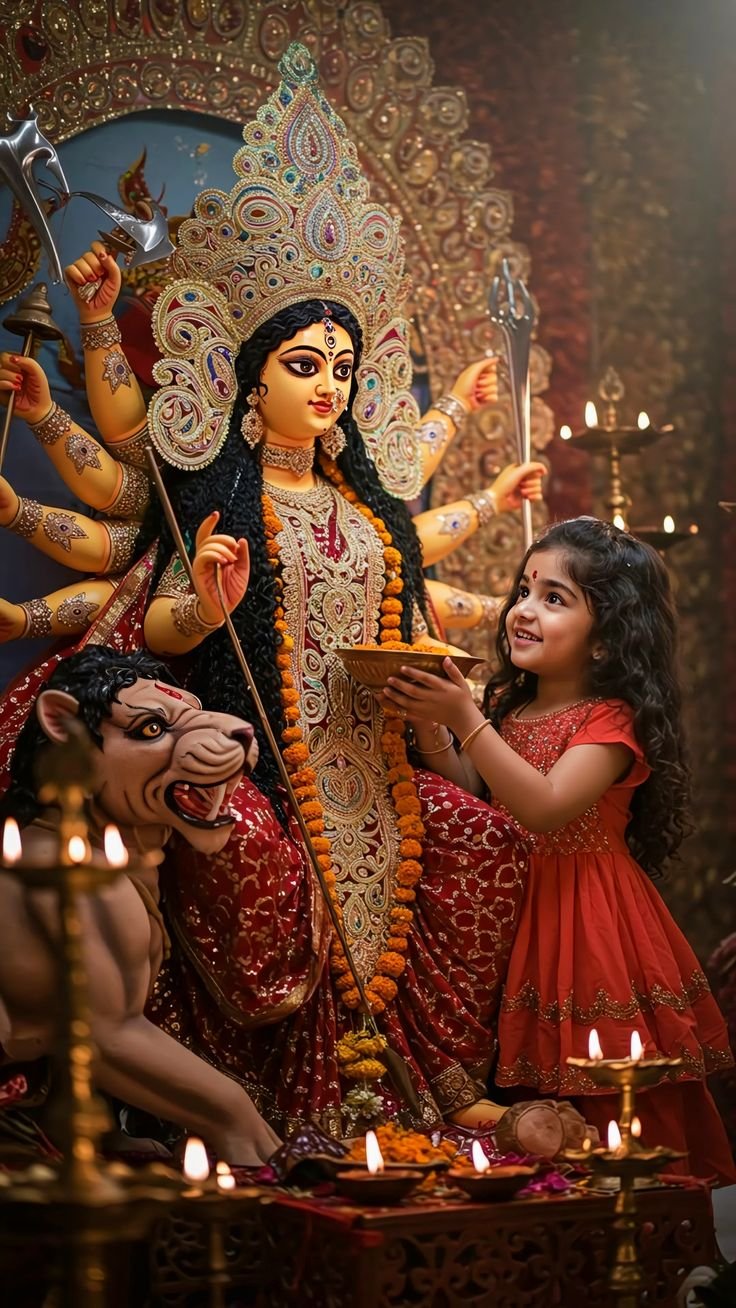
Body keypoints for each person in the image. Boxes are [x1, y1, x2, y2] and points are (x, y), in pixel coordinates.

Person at [0, 43, 542, 1137]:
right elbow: (156, 628)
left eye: (343, 367)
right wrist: (206, 597)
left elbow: (420, 614)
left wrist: (442, 688)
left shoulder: (367, 514)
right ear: (250, 382)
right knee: (247, 853)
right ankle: (267, 1113)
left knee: (488, 840)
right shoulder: (215, 497)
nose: (330, 385)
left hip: (374, 769)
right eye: (305, 365)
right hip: (254, 751)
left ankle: (436, 1086)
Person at [383, 516, 735, 1182]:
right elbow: (486, 804)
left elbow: (544, 808)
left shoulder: (610, 720)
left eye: (554, 598)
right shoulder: (508, 712)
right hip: (512, 918)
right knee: (532, 1113)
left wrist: (465, 719)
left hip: (589, 922)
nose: (523, 610)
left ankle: (640, 1232)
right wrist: (434, 727)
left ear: (607, 640)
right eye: (524, 589)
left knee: (604, 1088)